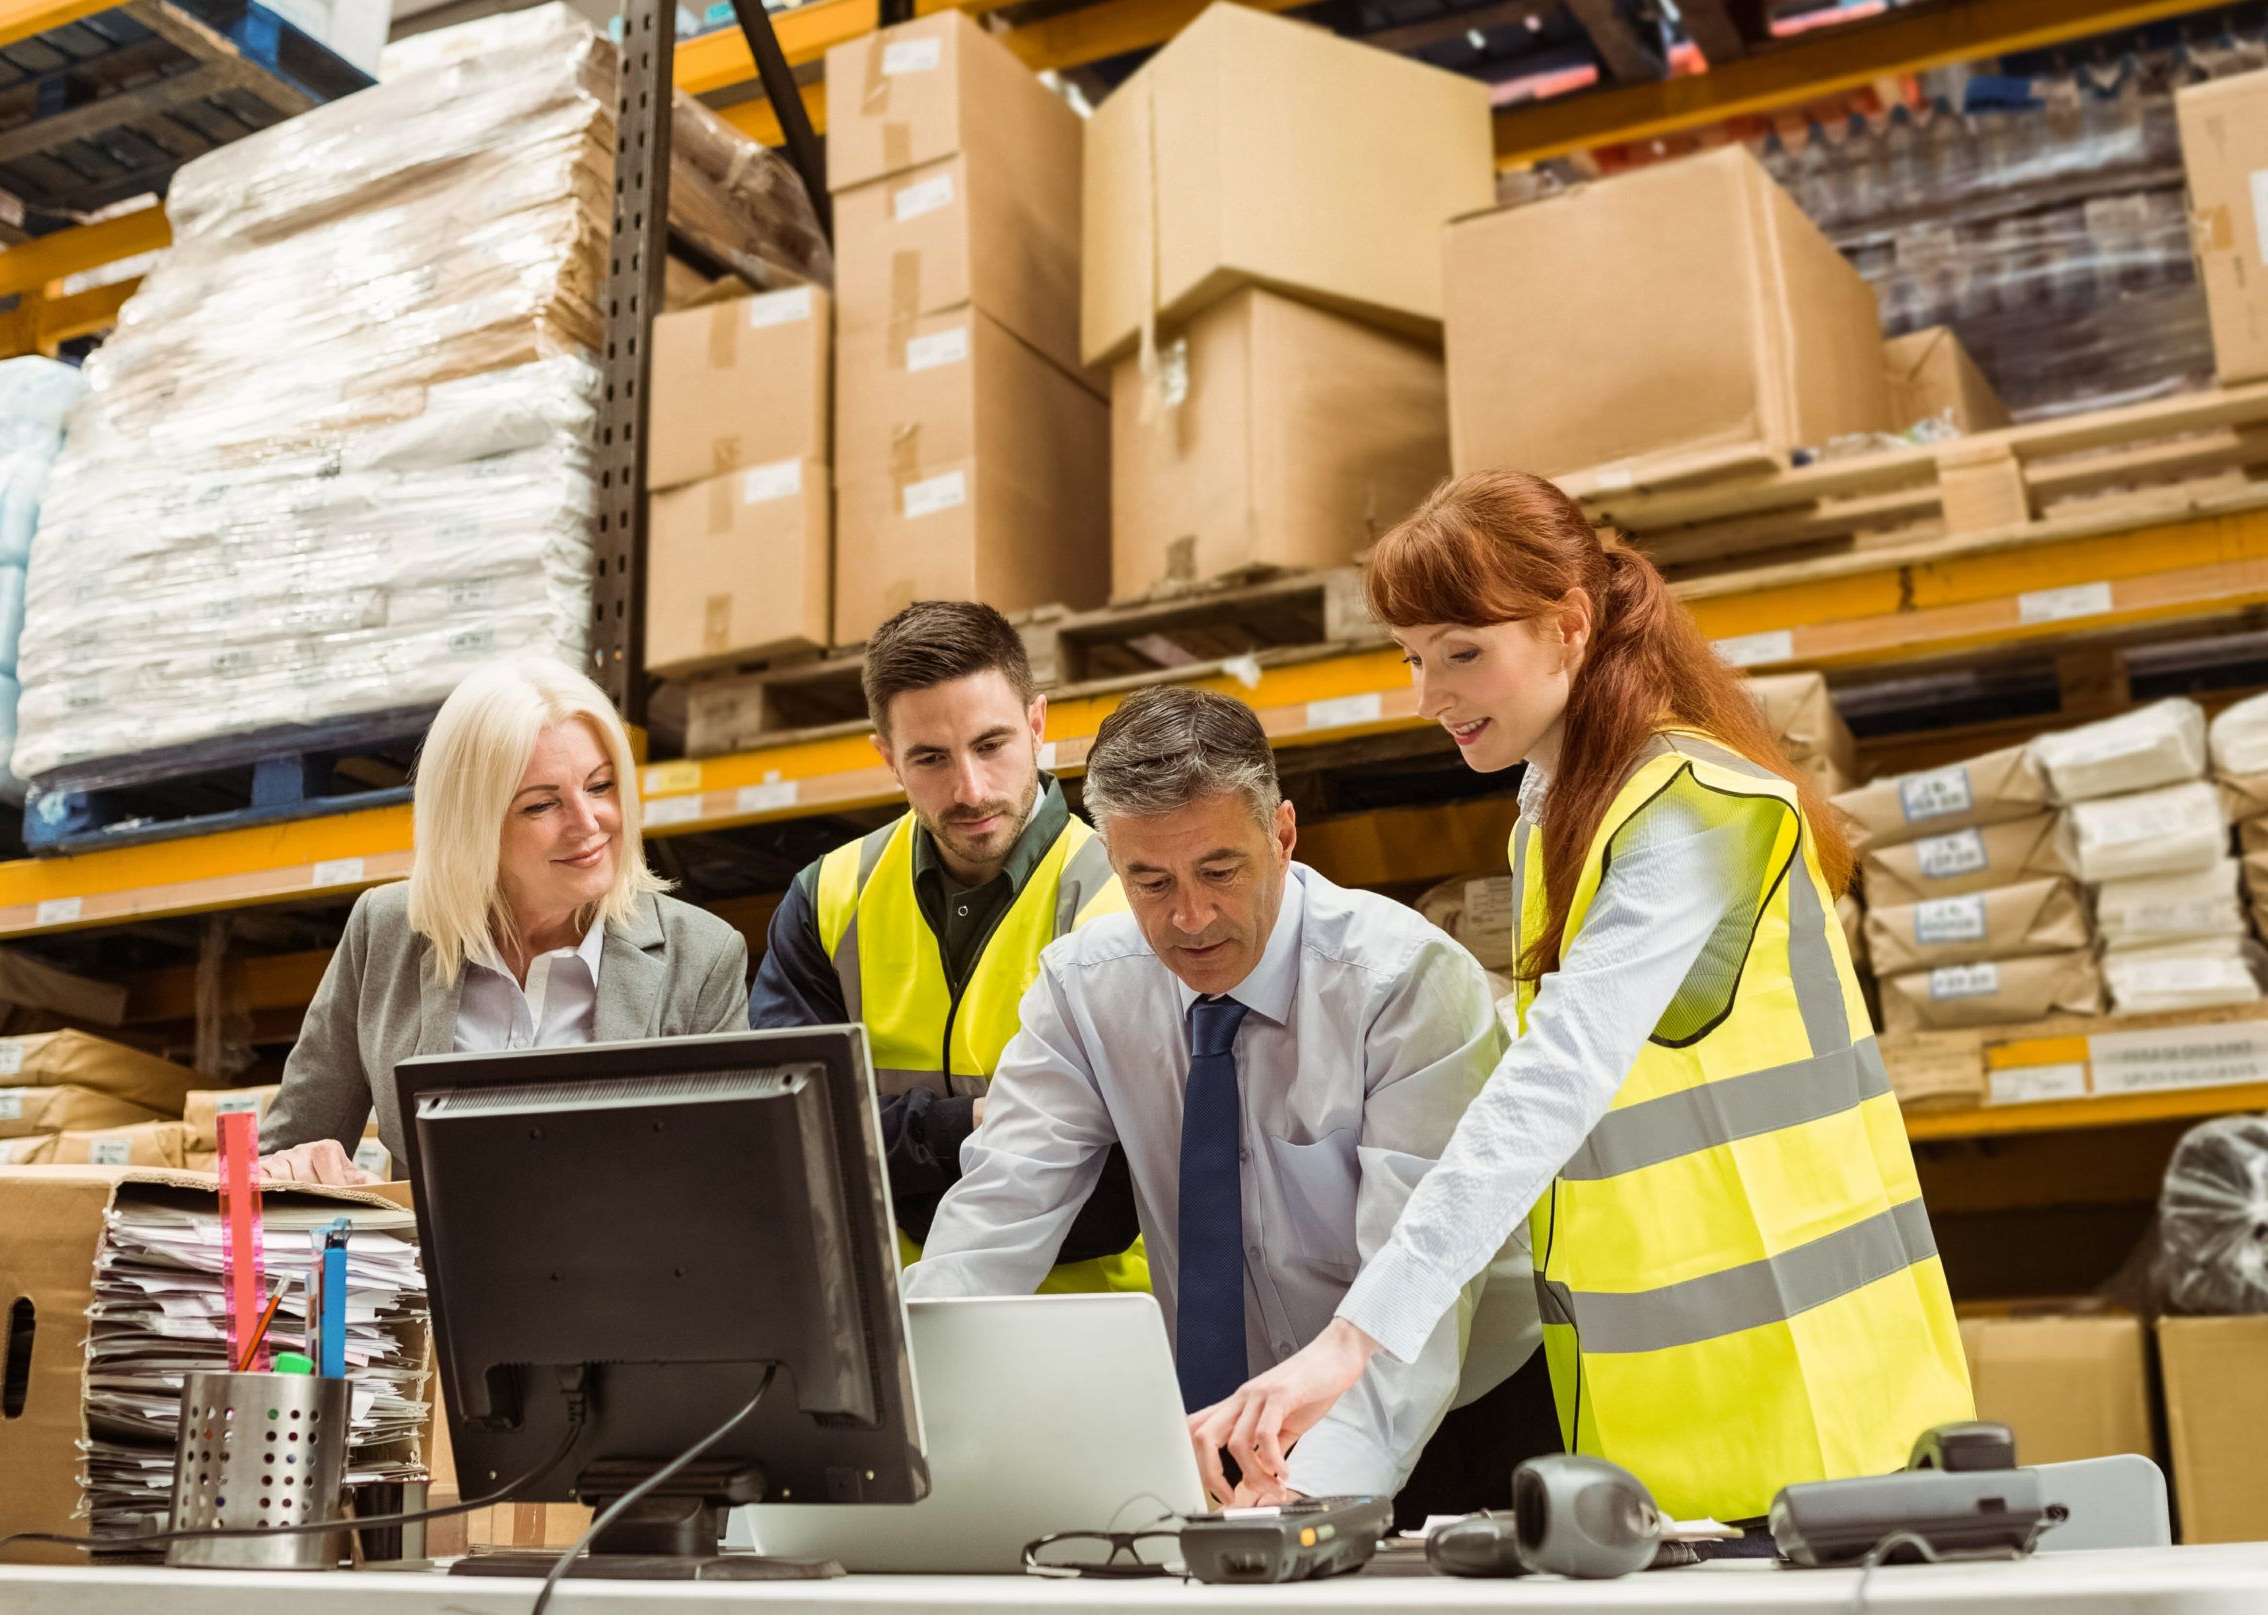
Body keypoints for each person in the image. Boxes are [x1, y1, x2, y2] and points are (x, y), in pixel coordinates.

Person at [1189, 470, 1974, 1526]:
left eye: (1462, 652)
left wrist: (1353, 1339)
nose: (1430, 693)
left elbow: (1553, 1082)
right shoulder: (1558, 811)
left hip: (1815, 1401)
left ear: (1568, 626)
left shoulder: (1683, 811)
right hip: (1673, 1414)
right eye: (1413, 657)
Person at [902, 685, 1545, 1509]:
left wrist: (1296, 1507)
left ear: (1281, 835)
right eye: (1150, 881)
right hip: (1220, 1427)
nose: (1190, 916)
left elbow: (1414, 1294)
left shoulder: (1403, 984)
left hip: (1452, 1416)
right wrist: (892, 1424)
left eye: (1218, 870)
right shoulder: (1086, 987)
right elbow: (992, 1218)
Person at [750, 600, 1145, 1293]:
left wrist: (894, 1142)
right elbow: (787, 1136)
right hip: (896, 1326)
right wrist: (971, 1123)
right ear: (886, 757)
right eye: (930, 758)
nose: (970, 789)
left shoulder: (1130, 897)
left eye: (991, 745)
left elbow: (1118, 1170)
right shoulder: (827, 900)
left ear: (1037, 723)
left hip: (1093, 1322)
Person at [258, 656, 749, 1183]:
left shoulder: (700, 956)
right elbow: (286, 1154)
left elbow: (729, 1177)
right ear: (471, 826)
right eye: (542, 806)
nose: (588, 824)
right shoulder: (386, 929)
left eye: (600, 786)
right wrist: (294, 1171)